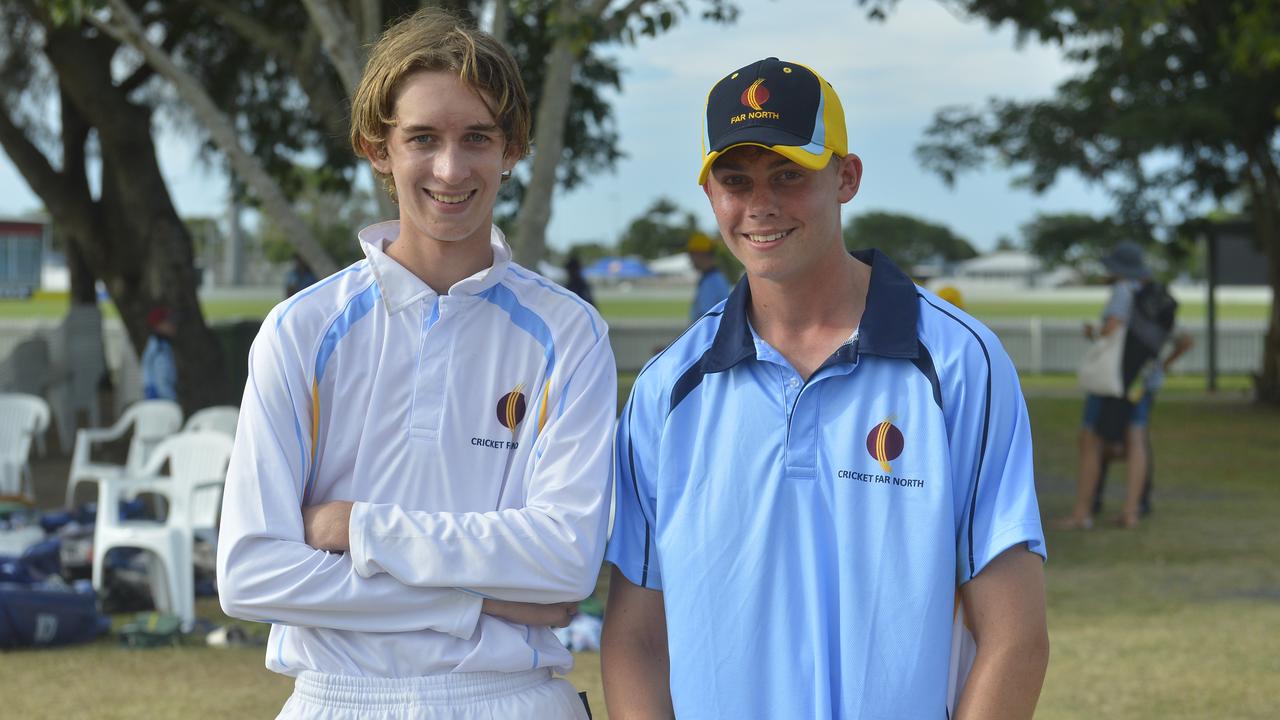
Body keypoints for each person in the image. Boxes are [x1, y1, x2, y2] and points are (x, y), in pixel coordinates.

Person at [601, 57, 1048, 719]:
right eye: (735, 180)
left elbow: (1015, 637)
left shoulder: (959, 364)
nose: (760, 204)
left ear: (847, 176)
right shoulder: (668, 390)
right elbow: (636, 637)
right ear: (710, 194)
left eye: (789, 174)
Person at [216, 9, 615, 719]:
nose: (451, 169)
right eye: (422, 139)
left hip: (510, 699)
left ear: (513, 148)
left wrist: (357, 528)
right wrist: (474, 598)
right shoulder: (302, 329)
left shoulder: (569, 332)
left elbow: (565, 563)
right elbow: (250, 574)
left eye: (477, 139)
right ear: (378, 147)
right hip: (336, 699)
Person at [1056, 241, 1193, 529]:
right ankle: (1131, 511)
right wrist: (1162, 367)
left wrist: (1093, 331)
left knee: (1090, 438)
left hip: (1114, 379)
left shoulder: (1123, 291)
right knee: (1136, 440)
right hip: (1143, 381)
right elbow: (1184, 340)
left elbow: (1112, 327)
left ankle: (1082, 513)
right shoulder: (1157, 296)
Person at [686, 231, 731, 321]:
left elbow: (704, 321)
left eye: (691, 254)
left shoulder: (711, 282)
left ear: (701, 254)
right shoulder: (714, 278)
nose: (690, 259)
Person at [140, 306, 177, 401]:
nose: (173, 325)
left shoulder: (157, 345)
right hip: (161, 401)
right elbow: (162, 381)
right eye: (169, 322)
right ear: (159, 326)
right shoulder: (159, 349)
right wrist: (172, 401)